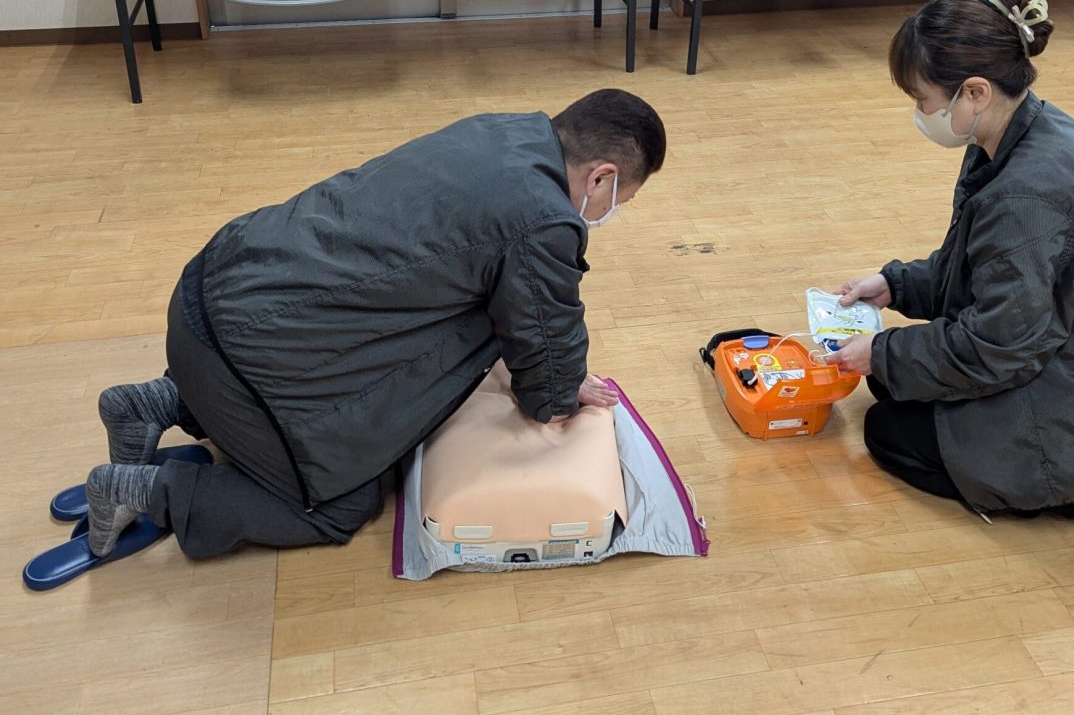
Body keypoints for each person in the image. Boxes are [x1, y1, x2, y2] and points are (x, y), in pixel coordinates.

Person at [83, 88, 666, 559]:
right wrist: (561, 391)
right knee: (336, 503)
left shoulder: (504, 131)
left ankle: (152, 404)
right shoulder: (542, 220)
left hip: (209, 292)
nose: (609, 212)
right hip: (244, 354)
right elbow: (544, 351)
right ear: (601, 177)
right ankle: (140, 491)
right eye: (620, 200)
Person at [828, 0, 1074, 523]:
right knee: (889, 377)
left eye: (922, 98)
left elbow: (1000, 347)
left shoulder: (1024, 196)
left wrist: (884, 352)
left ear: (974, 92)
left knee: (889, 431)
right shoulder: (1024, 131)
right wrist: (896, 286)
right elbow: (987, 271)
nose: (920, 112)